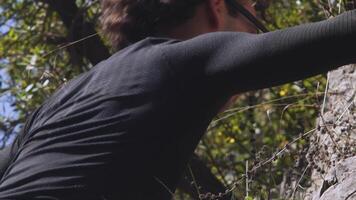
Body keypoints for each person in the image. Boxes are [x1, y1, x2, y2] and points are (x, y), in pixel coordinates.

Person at [0, 0, 355, 199]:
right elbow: (340, 36)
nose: (253, 38)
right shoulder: (183, 60)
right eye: (253, 19)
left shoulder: (61, 100)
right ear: (217, 6)